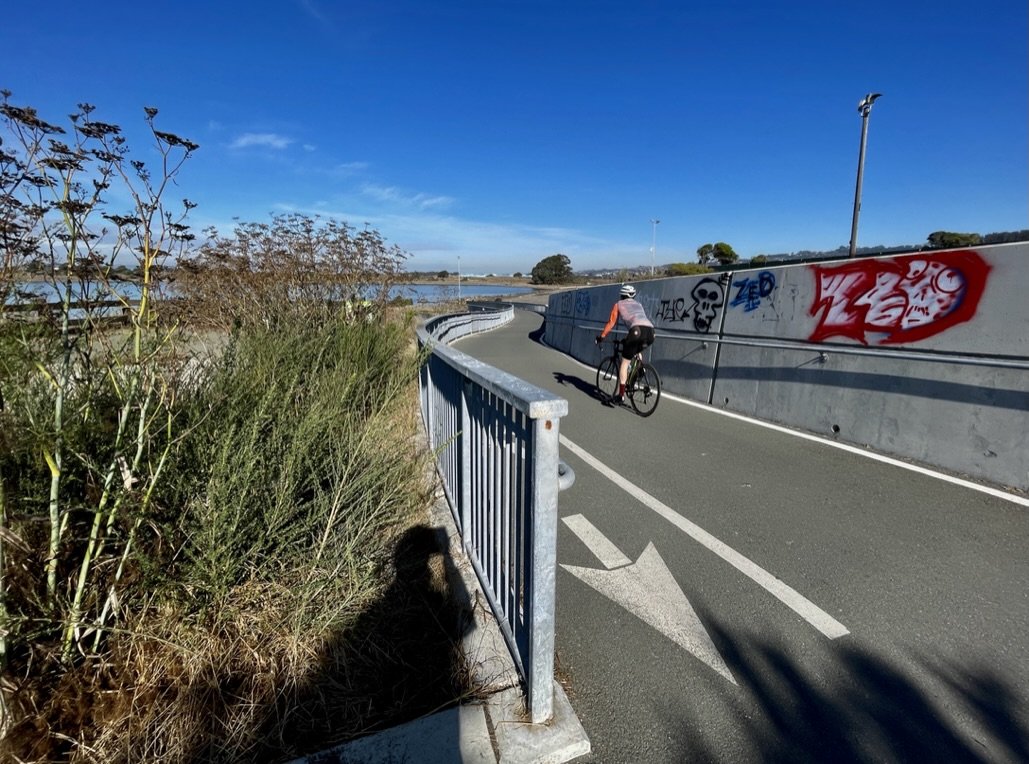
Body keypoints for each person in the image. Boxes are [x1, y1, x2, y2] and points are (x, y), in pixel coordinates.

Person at [595, 283, 655, 404]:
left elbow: (611, 322)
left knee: (624, 362)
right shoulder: (639, 304)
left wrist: (602, 336)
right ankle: (640, 370)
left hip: (636, 331)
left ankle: (621, 395)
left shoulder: (618, 305)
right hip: (651, 332)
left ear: (622, 295)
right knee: (636, 350)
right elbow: (639, 321)